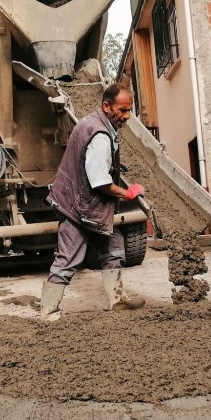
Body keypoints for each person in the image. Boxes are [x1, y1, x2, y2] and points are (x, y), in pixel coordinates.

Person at [40, 84, 146, 321]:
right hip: (80, 207)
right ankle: (48, 310)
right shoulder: (99, 135)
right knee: (68, 258)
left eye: (130, 110)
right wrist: (127, 193)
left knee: (113, 247)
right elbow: (99, 182)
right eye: (123, 110)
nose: (127, 116)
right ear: (106, 106)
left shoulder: (92, 122)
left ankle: (118, 299)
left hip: (86, 205)